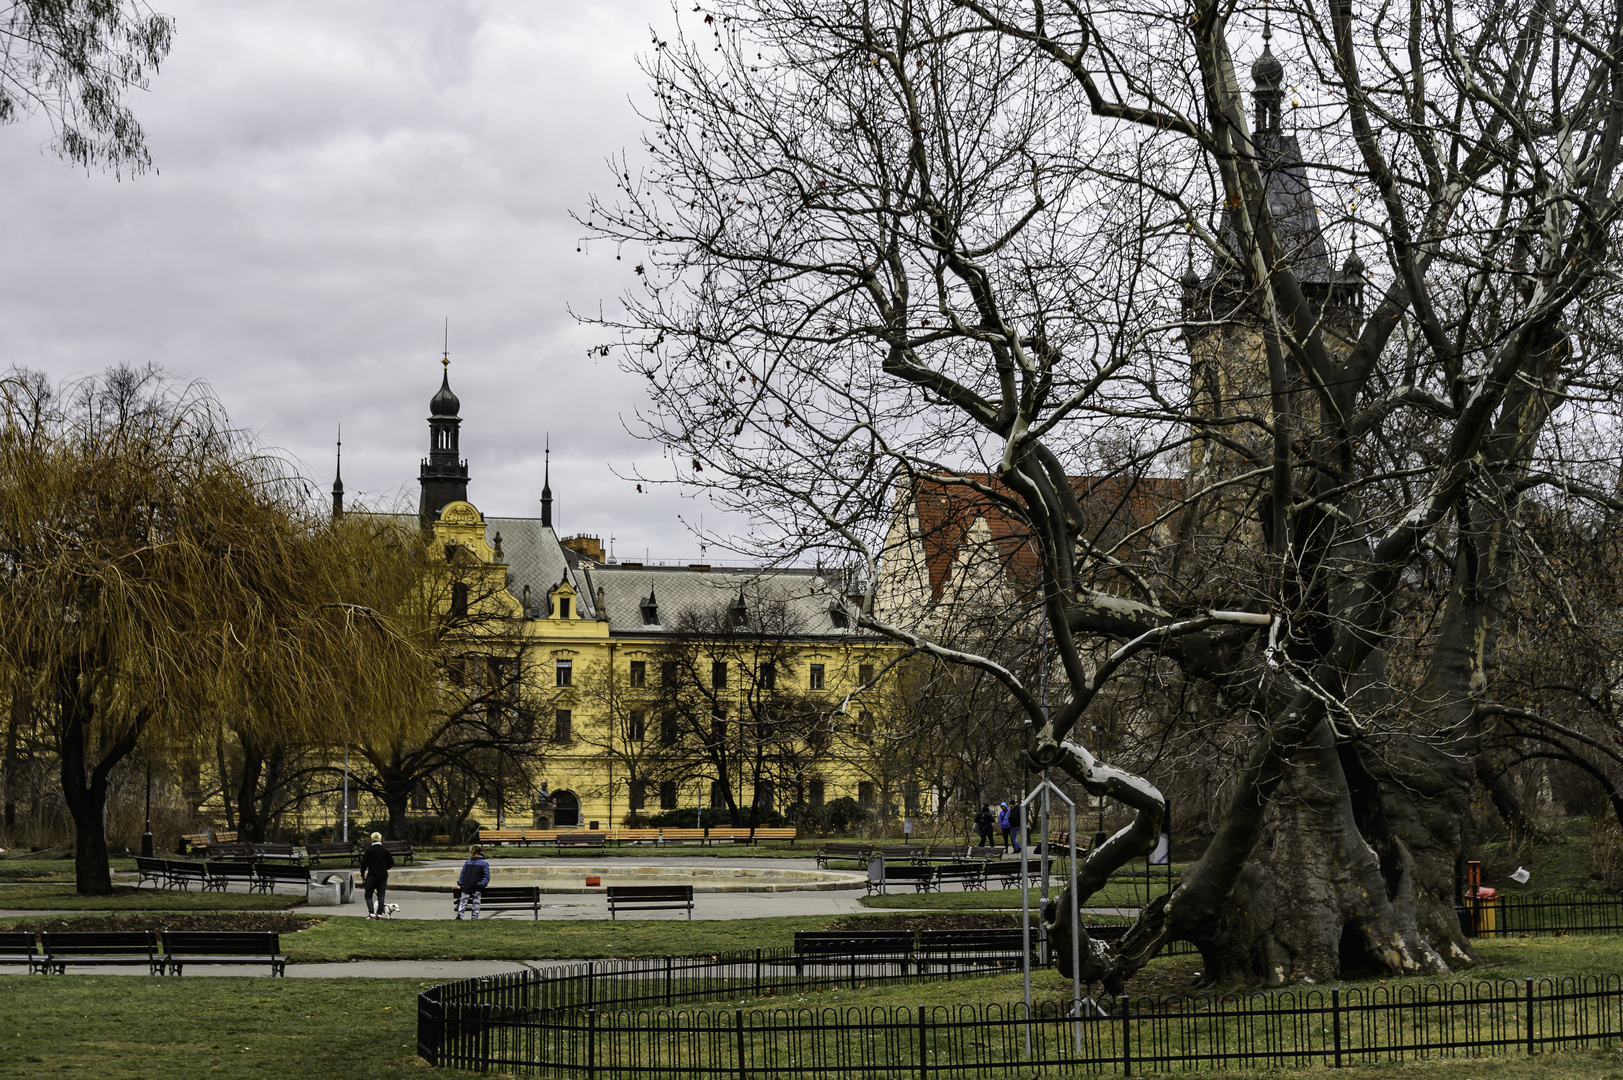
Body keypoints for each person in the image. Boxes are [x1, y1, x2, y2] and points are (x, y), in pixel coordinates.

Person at [359, 831, 395, 919]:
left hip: (372, 875)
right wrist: (384, 868)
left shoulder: (369, 851)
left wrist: (362, 873)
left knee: (368, 895)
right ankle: (379, 914)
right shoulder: (385, 850)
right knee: (381, 895)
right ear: (381, 839)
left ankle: (371, 913)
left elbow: (364, 863)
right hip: (383, 874)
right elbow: (391, 862)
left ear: (372, 840)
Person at [455, 846, 491, 920]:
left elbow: (486, 875)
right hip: (468, 885)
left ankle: (474, 917)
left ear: (476, 854)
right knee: (464, 901)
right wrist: (460, 883)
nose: (469, 854)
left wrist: (481, 884)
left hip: (475, 886)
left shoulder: (483, 863)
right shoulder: (468, 862)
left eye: (471, 853)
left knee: (474, 902)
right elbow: (463, 873)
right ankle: (460, 915)